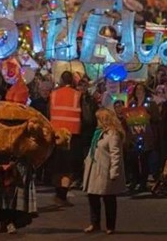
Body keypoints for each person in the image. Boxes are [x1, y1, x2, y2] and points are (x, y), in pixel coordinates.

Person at [82, 109, 126, 235]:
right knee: (93, 197)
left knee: (109, 198)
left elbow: (115, 154)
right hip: (94, 168)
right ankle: (94, 223)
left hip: (105, 169)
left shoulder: (113, 134)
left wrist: (114, 171)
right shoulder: (98, 133)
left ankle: (110, 226)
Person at [48, 71, 82, 206]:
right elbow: (86, 116)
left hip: (56, 134)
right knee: (69, 167)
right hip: (72, 134)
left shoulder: (54, 94)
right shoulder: (78, 95)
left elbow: (48, 113)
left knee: (58, 166)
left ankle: (59, 193)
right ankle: (61, 195)